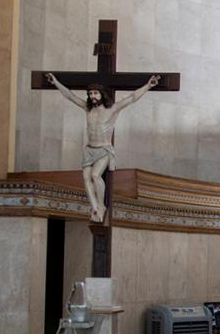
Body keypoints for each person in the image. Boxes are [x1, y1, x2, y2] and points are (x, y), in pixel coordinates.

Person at [45, 72, 160, 222]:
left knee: (95, 175)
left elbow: (132, 98)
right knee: (85, 178)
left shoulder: (111, 109)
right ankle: (94, 208)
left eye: (95, 93)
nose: (93, 96)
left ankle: (101, 205)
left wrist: (147, 86)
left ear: (101, 94)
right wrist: (56, 83)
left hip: (103, 149)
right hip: (89, 149)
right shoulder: (88, 109)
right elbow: (70, 96)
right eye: (90, 93)